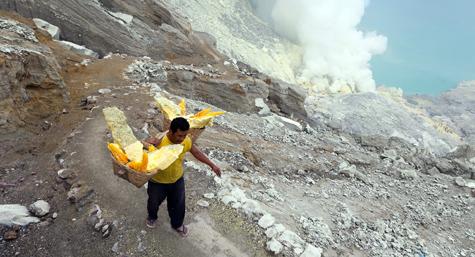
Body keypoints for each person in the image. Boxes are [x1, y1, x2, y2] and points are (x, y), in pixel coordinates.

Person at [142, 117, 221, 236]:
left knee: (178, 204)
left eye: (184, 135)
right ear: (170, 131)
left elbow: (196, 152)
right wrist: (146, 144)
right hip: (157, 181)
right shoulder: (159, 141)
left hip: (177, 180)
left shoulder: (186, 141)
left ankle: (177, 224)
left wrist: (212, 165)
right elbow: (141, 152)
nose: (182, 139)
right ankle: (152, 217)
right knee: (153, 202)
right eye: (179, 136)